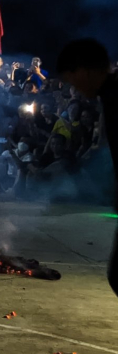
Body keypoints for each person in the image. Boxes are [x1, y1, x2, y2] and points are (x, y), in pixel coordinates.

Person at [57, 38, 117, 297]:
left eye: (72, 80)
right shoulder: (109, 96)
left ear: (83, 70)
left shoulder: (115, 96)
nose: (76, 89)